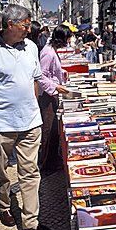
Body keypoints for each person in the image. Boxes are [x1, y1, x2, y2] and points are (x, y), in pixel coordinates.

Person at [0, 4, 56, 230]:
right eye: (25, 23)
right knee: (1, 172)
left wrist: (32, 106)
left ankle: (31, 220)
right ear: (10, 24)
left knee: (30, 172)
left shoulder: (32, 47)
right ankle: (4, 207)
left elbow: (35, 80)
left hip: (30, 123)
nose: (28, 27)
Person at [38, 25, 69, 173]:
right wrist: (56, 87)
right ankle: (46, 163)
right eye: (67, 39)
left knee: (53, 128)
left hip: (51, 95)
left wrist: (62, 72)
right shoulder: (48, 52)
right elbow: (41, 76)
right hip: (47, 96)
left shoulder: (52, 50)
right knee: (48, 129)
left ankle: (51, 159)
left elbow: (52, 71)